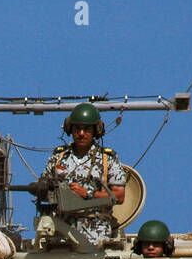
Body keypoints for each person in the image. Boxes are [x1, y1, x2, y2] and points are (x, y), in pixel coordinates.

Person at [40, 103, 127, 247]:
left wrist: (88, 194)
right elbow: (43, 189)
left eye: (86, 129)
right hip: (62, 234)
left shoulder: (107, 159)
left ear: (96, 130)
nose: (81, 133)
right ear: (70, 129)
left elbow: (119, 196)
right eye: (77, 128)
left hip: (96, 236)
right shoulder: (58, 158)